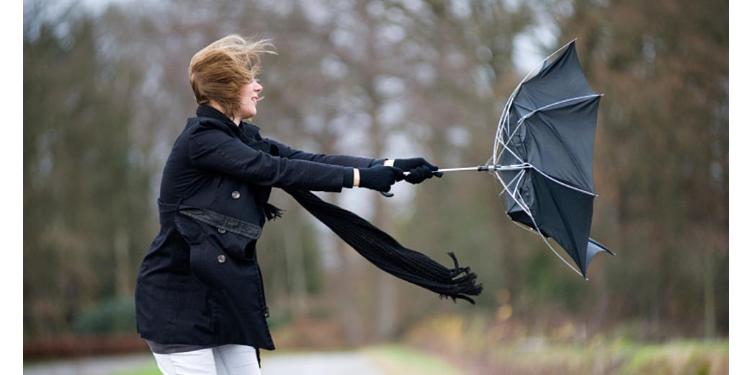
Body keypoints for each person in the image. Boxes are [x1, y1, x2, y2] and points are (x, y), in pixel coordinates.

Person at [134, 35, 441, 375]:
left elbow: (303, 158)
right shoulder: (202, 141)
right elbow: (276, 170)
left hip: (224, 300)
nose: (258, 87)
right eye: (249, 80)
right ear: (226, 87)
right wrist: (360, 179)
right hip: (178, 304)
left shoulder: (242, 138)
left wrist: (387, 165)